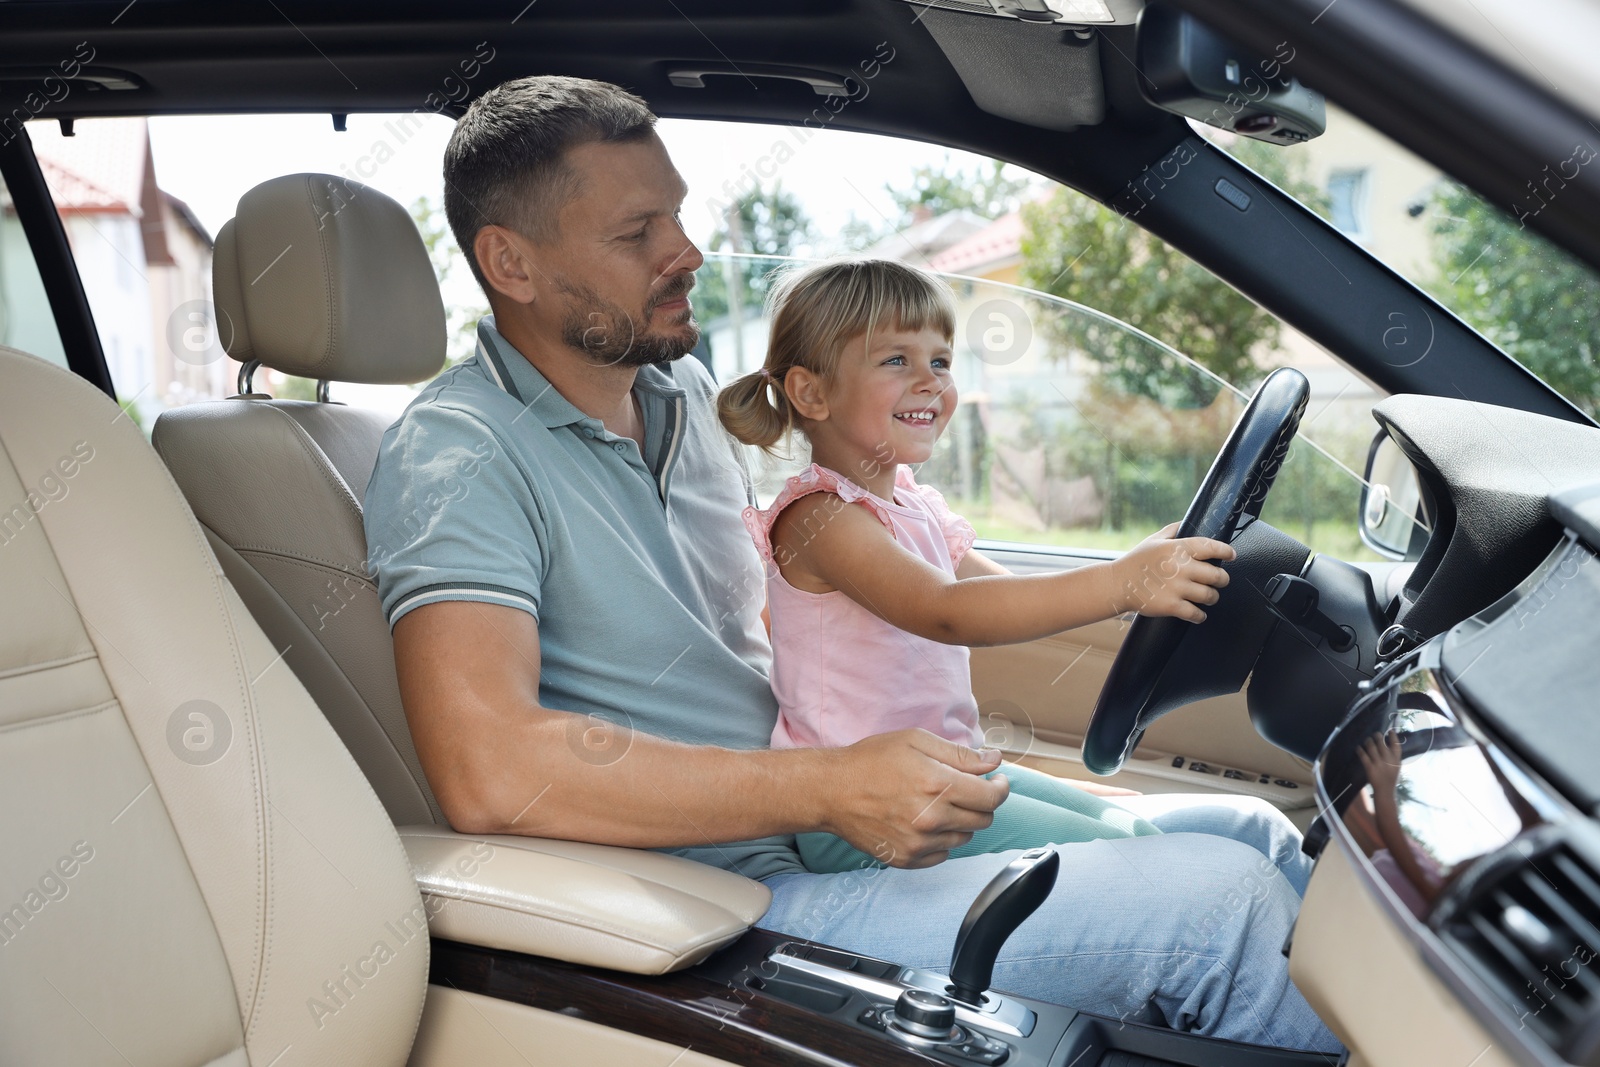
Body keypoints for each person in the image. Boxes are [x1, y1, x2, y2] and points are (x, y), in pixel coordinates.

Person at [362, 73, 1341, 1054]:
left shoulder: (681, 392)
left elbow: (872, 586)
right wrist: (825, 785)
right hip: (722, 903)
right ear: (511, 263)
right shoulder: (459, 451)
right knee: (1223, 904)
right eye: (635, 233)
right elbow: (488, 773)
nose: (686, 253)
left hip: (814, 831)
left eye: (679, 217)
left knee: (1252, 831)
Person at [717, 257, 1243, 874]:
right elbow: (947, 612)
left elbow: (1010, 598)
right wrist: (1119, 581)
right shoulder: (820, 518)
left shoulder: (912, 502)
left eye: (940, 361)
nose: (931, 381)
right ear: (812, 391)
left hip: (942, 774)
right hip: (865, 814)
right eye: (896, 361)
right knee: (1143, 861)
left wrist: (1137, 577)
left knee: (1131, 828)